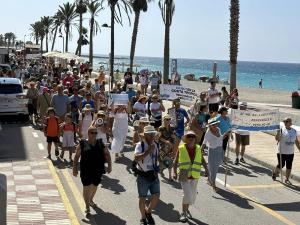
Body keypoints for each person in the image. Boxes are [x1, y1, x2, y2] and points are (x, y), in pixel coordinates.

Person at [73, 126, 112, 217]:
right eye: (92, 133)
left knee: (94, 186)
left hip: (98, 169)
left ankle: (90, 200)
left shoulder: (100, 143)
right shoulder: (82, 143)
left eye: (95, 133)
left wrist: (109, 166)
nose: (94, 134)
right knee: (86, 187)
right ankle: (87, 207)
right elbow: (76, 157)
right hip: (85, 169)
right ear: (88, 133)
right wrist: (74, 168)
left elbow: (107, 154)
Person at [173, 130, 207, 223]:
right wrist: (175, 172)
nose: (191, 138)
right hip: (184, 175)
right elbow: (175, 161)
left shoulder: (198, 148)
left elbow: (202, 160)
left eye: (193, 137)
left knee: (192, 196)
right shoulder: (181, 148)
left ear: (195, 139)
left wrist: (207, 169)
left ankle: (187, 210)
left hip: (195, 175)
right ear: (186, 139)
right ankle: (183, 213)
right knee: (187, 195)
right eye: (189, 137)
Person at [134, 125, 160, 225]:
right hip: (143, 176)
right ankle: (143, 218)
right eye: (149, 134)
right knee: (142, 199)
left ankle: (148, 212)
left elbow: (157, 158)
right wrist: (147, 151)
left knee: (156, 196)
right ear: (144, 135)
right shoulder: (140, 145)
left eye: (153, 134)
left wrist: (159, 166)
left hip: (153, 174)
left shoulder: (156, 144)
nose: (152, 136)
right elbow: (136, 158)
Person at [202, 118, 230, 191]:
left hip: (220, 150)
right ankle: (214, 185)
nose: (215, 125)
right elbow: (204, 143)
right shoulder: (208, 132)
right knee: (213, 169)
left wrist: (226, 134)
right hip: (212, 151)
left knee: (216, 168)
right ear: (210, 126)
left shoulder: (218, 129)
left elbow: (220, 139)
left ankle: (209, 179)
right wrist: (200, 152)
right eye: (213, 124)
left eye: (216, 123)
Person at [272, 118, 300, 184]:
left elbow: (296, 141)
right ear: (286, 123)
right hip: (281, 151)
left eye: (290, 121)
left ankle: (287, 179)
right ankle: (275, 173)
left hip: (290, 152)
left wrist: (299, 149)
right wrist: (278, 132)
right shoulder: (282, 130)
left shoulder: (294, 131)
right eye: (288, 121)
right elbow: (277, 139)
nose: (290, 122)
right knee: (281, 165)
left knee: (289, 165)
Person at [158, 115, 176, 180]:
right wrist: (166, 141)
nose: (168, 121)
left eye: (169, 119)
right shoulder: (161, 128)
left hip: (170, 147)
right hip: (163, 147)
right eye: (166, 119)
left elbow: (174, 137)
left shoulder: (172, 128)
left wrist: (174, 137)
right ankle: (161, 168)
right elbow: (159, 138)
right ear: (164, 120)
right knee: (164, 161)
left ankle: (170, 176)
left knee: (170, 160)